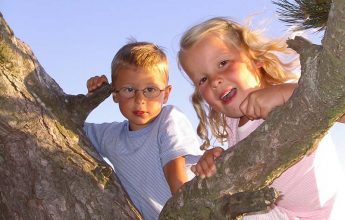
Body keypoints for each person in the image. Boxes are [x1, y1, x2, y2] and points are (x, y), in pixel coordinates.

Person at [178, 17, 345, 219]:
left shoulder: (288, 95)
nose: (215, 81)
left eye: (223, 63)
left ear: (255, 60)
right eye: (202, 79)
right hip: (275, 210)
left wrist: (287, 93)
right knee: (195, 180)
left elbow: (339, 109)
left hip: (312, 215)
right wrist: (216, 162)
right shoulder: (232, 123)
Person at [83, 41, 202, 220]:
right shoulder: (111, 136)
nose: (140, 100)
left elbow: (175, 169)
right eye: (129, 90)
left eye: (150, 90)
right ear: (114, 94)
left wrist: (185, 214)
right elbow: (67, 125)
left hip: (191, 212)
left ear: (166, 93)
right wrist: (93, 98)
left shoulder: (169, 119)